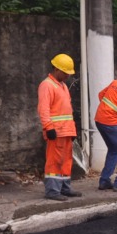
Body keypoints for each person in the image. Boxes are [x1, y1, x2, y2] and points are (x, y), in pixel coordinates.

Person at [38, 53, 81, 201]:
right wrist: (48, 127)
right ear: (56, 69)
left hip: (66, 131)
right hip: (56, 131)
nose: (67, 76)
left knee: (66, 161)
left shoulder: (62, 86)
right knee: (54, 161)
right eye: (65, 72)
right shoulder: (47, 85)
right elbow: (43, 109)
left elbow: (68, 110)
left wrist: (73, 130)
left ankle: (64, 188)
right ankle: (52, 191)